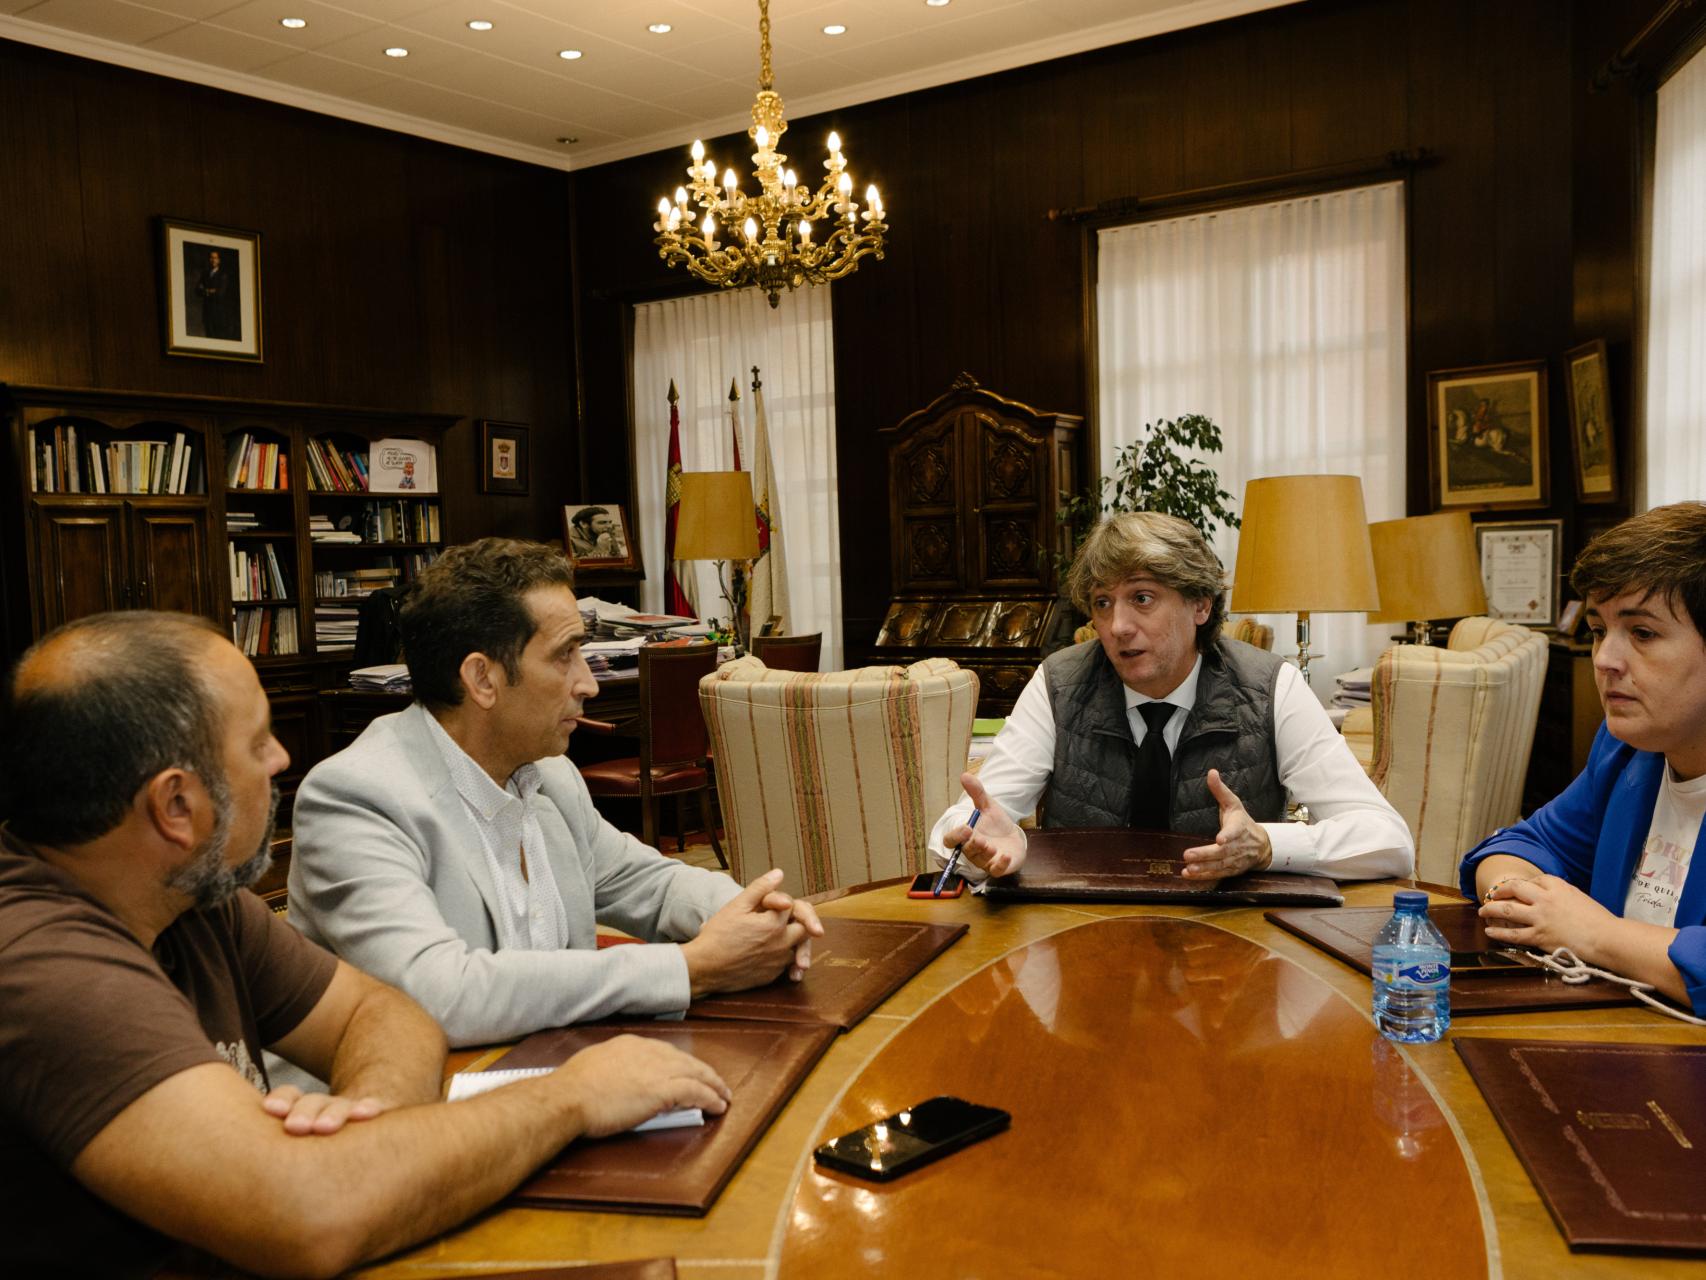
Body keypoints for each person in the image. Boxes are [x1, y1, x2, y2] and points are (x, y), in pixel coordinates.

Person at [0, 611, 729, 1279]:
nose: (281, 758)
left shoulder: (190, 895)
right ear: (175, 805)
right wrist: (571, 1097)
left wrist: (366, 1123)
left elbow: (382, 1012)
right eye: (256, 743)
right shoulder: (46, 969)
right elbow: (308, 1215)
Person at [290, 538, 822, 1046]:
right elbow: (437, 994)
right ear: (482, 679)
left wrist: (754, 915)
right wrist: (691, 968)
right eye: (565, 655)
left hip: (559, 1068)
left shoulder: (550, 774)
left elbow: (650, 884)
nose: (589, 683)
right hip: (417, 1099)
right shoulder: (357, 798)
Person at [930, 511, 1413, 883]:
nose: (1117, 626)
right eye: (1102, 603)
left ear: (1200, 604)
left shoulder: (1270, 686)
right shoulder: (1059, 683)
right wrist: (979, 847)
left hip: (1231, 942)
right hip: (1086, 931)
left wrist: (1267, 844)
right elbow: (963, 827)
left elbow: (1389, 841)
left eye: (1142, 598)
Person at [1461, 502, 1706, 1016]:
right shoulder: (1626, 753)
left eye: (1642, 633)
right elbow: (1521, 845)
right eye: (1598, 630)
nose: (1605, 660)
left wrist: (1595, 934)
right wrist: (1520, 898)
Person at [193, 247, 238, 340]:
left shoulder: (223, 275)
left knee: (218, 337)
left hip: (218, 313)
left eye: (215, 258)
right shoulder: (205, 274)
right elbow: (197, 290)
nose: (213, 260)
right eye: (211, 258)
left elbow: (220, 294)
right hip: (207, 312)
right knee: (208, 336)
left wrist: (205, 290)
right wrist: (210, 291)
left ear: (219, 260)